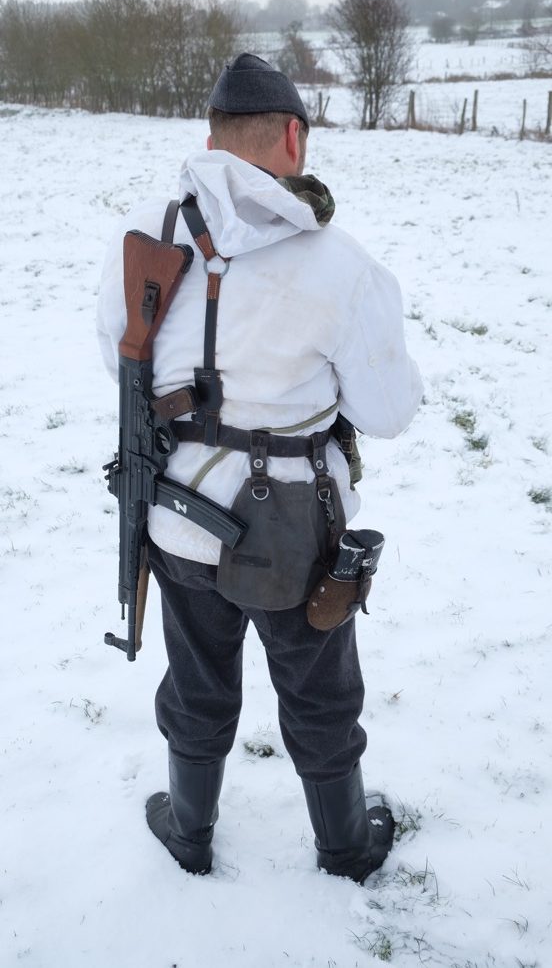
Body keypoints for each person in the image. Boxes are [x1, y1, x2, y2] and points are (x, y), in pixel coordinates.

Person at [97, 53, 422, 884]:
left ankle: (191, 831)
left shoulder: (145, 234)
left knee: (196, 681)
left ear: (210, 141)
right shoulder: (342, 264)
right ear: (294, 139)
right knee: (319, 691)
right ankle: (345, 846)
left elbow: (121, 361)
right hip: (296, 535)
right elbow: (389, 411)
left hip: (177, 516)